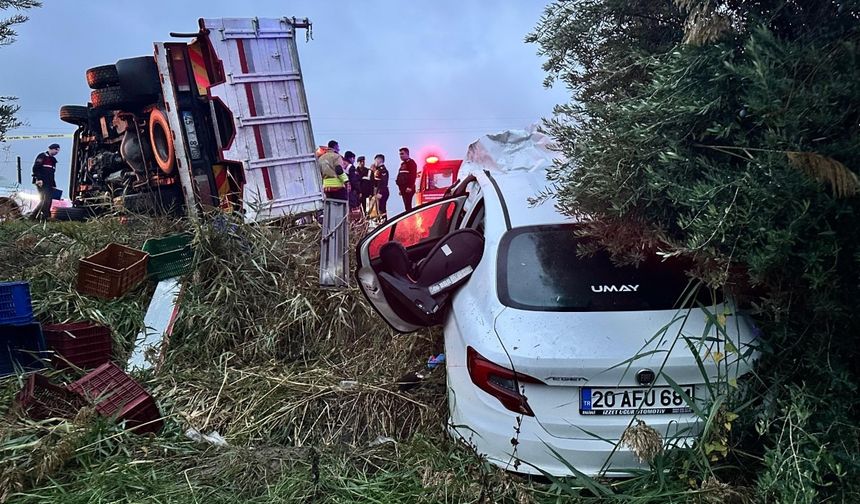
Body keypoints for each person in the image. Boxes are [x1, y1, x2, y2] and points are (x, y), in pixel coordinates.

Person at [32, 143, 60, 221]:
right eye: (55, 150)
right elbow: (36, 168)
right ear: (50, 149)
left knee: (48, 199)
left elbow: (52, 174)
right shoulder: (42, 156)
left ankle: (37, 216)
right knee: (44, 199)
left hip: (49, 183)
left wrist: (53, 184)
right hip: (41, 181)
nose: (56, 152)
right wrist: (39, 179)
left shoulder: (53, 160)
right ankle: (42, 216)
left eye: (58, 151)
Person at [396, 147, 418, 211]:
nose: (401, 156)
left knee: (408, 206)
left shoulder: (411, 163)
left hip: (408, 189)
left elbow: (413, 175)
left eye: (402, 154)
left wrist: (410, 187)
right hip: (403, 188)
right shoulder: (402, 164)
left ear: (407, 154)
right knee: (406, 206)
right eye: (400, 154)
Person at [371, 154, 390, 221]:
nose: (374, 163)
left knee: (382, 208)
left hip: (383, 192)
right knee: (378, 208)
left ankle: (384, 222)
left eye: (375, 161)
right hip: (378, 192)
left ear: (379, 160)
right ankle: (381, 220)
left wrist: (380, 192)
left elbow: (384, 182)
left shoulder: (383, 170)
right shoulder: (377, 170)